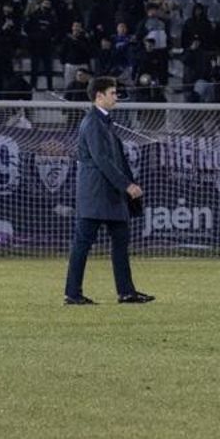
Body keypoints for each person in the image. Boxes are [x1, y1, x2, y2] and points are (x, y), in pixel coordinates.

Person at [65, 77, 153, 305]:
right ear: (99, 96)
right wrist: (126, 185)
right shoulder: (92, 123)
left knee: (121, 241)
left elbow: (115, 159)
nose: (116, 97)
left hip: (110, 195)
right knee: (82, 244)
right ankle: (72, 293)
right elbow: (102, 160)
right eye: (112, 93)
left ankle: (126, 292)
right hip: (96, 194)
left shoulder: (104, 122)